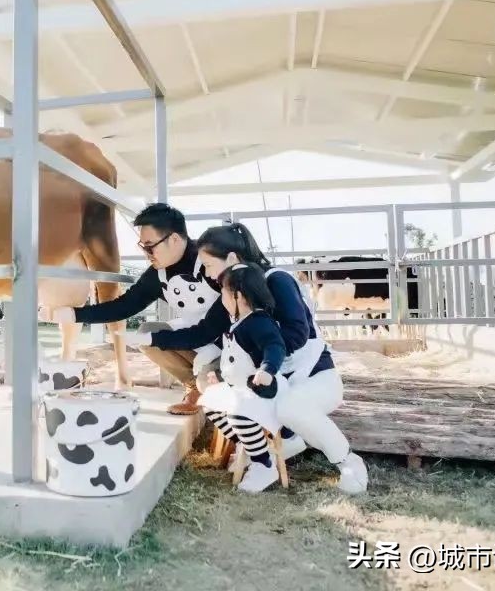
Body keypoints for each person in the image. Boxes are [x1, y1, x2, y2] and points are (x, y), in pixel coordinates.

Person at [124, 222, 369, 494]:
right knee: (214, 398)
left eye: (208, 265)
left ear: (231, 258)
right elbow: (203, 332)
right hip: (271, 382)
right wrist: (150, 339)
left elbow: (296, 334)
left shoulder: (276, 280)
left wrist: (259, 362)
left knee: (290, 408)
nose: (207, 273)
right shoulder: (232, 291)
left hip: (311, 375)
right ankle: (262, 455)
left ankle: (348, 462)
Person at [45, 203, 223, 414]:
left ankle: (214, 388)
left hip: (234, 346)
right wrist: (74, 314)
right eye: (142, 247)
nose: (147, 254)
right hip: (198, 338)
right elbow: (123, 306)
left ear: (174, 239)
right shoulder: (157, 274)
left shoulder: (213, 262)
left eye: (150, 246)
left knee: (211, 386)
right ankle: (193, 385)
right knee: (146, 333)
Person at [199, 262, 289, 493]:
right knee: (210, 403)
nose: (222, 300)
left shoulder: (259, 321)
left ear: (237, 296)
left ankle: (263, 464)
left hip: (263, 390)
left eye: (223, 294)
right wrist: (221, 378)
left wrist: (267, 369)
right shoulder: (238, 323)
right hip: (242, 389)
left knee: (238, 410)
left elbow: (275, 345)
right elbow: (235, 359)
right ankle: (250, 446)